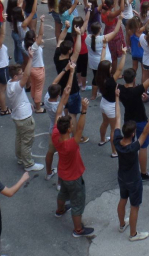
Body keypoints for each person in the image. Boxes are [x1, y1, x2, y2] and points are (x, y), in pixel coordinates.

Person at [113, 92, 149, 241]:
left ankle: (122, 224)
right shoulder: (133, 147)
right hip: (133, 180)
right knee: (134, 206)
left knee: (122, 199)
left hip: (122, 177)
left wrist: (116, 97)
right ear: (133, 133)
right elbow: (146, 131)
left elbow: (118, 118)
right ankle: (133, 234)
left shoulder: (117, 141)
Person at [52, 92, 94, 238]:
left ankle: (60, 210)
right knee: (77, 203)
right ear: (69, 129)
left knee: (63, 192)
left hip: (63, 174)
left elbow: (58, 111)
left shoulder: (55, 134)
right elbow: (80, 129)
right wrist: (84, 110)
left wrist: (63, 98)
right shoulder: (71, 144)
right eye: (71, 125)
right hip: (74, 177)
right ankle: (78, 230)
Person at [119, 59, 149, 180]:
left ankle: (129, 169)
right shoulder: (137, 90)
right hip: (140, 120)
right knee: (143, 146)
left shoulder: (120, 89)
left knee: (129, 144)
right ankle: (143, 173)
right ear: (134, 79)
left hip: (128, 120)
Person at [6, 58, 45, 171]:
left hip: (18, 116)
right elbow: (27, 75)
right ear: (15, 77)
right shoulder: (16, 86)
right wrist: (31, 58)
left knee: (19, 138)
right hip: (24, 117)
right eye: (20, 74)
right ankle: (28, 164)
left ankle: (20, 158)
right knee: (27, 141)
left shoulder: (10, 84)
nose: (22, 74)